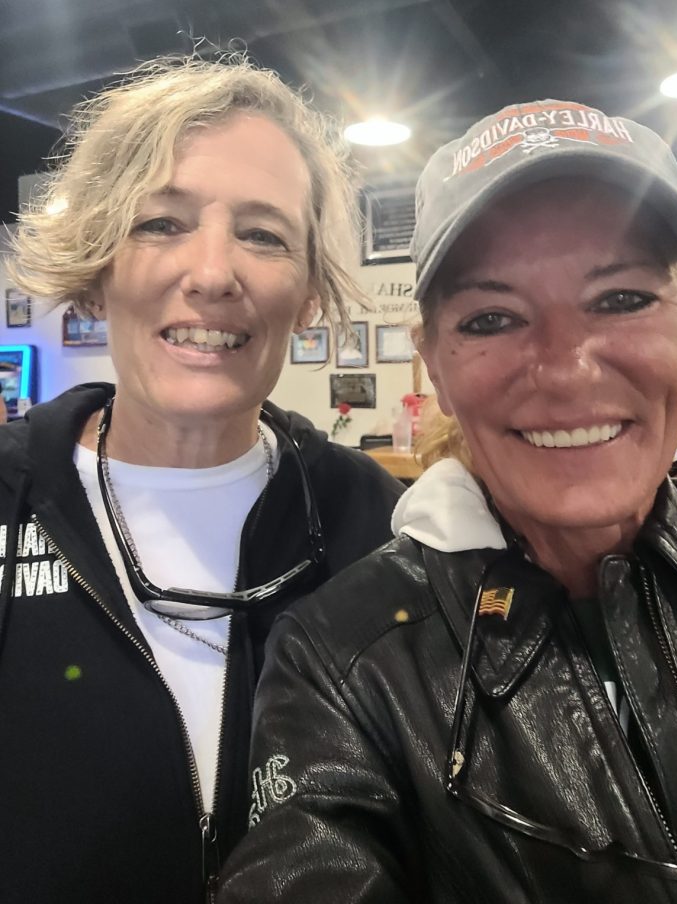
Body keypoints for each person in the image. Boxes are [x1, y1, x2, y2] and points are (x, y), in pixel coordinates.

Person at [219, 100, 677, 903]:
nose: (566, 371)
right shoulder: (345, 665)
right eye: (492, 318)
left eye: (621, 299)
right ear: (433, 361)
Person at [0, 55, 403, 904]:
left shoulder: (377, 522)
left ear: (307, 295)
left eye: (263, 234)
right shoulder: (11, 496)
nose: (214, 272)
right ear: (98, 264)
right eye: (161, 223)